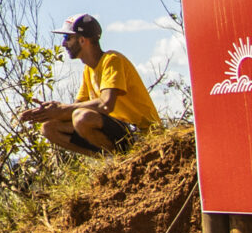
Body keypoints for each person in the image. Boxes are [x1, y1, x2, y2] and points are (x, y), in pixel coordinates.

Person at [23, 14, 161, 157]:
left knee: (82, 117)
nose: (63, 44)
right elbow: (75, 107)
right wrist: (49, 112)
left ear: (82, 40)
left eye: (67, 38)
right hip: (117, 131)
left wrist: (62, 109)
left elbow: (105, 105)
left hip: (140, 131)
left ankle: (120, 157)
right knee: (49, 127)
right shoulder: (88, 70)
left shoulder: (112, 60)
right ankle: (109, 159)